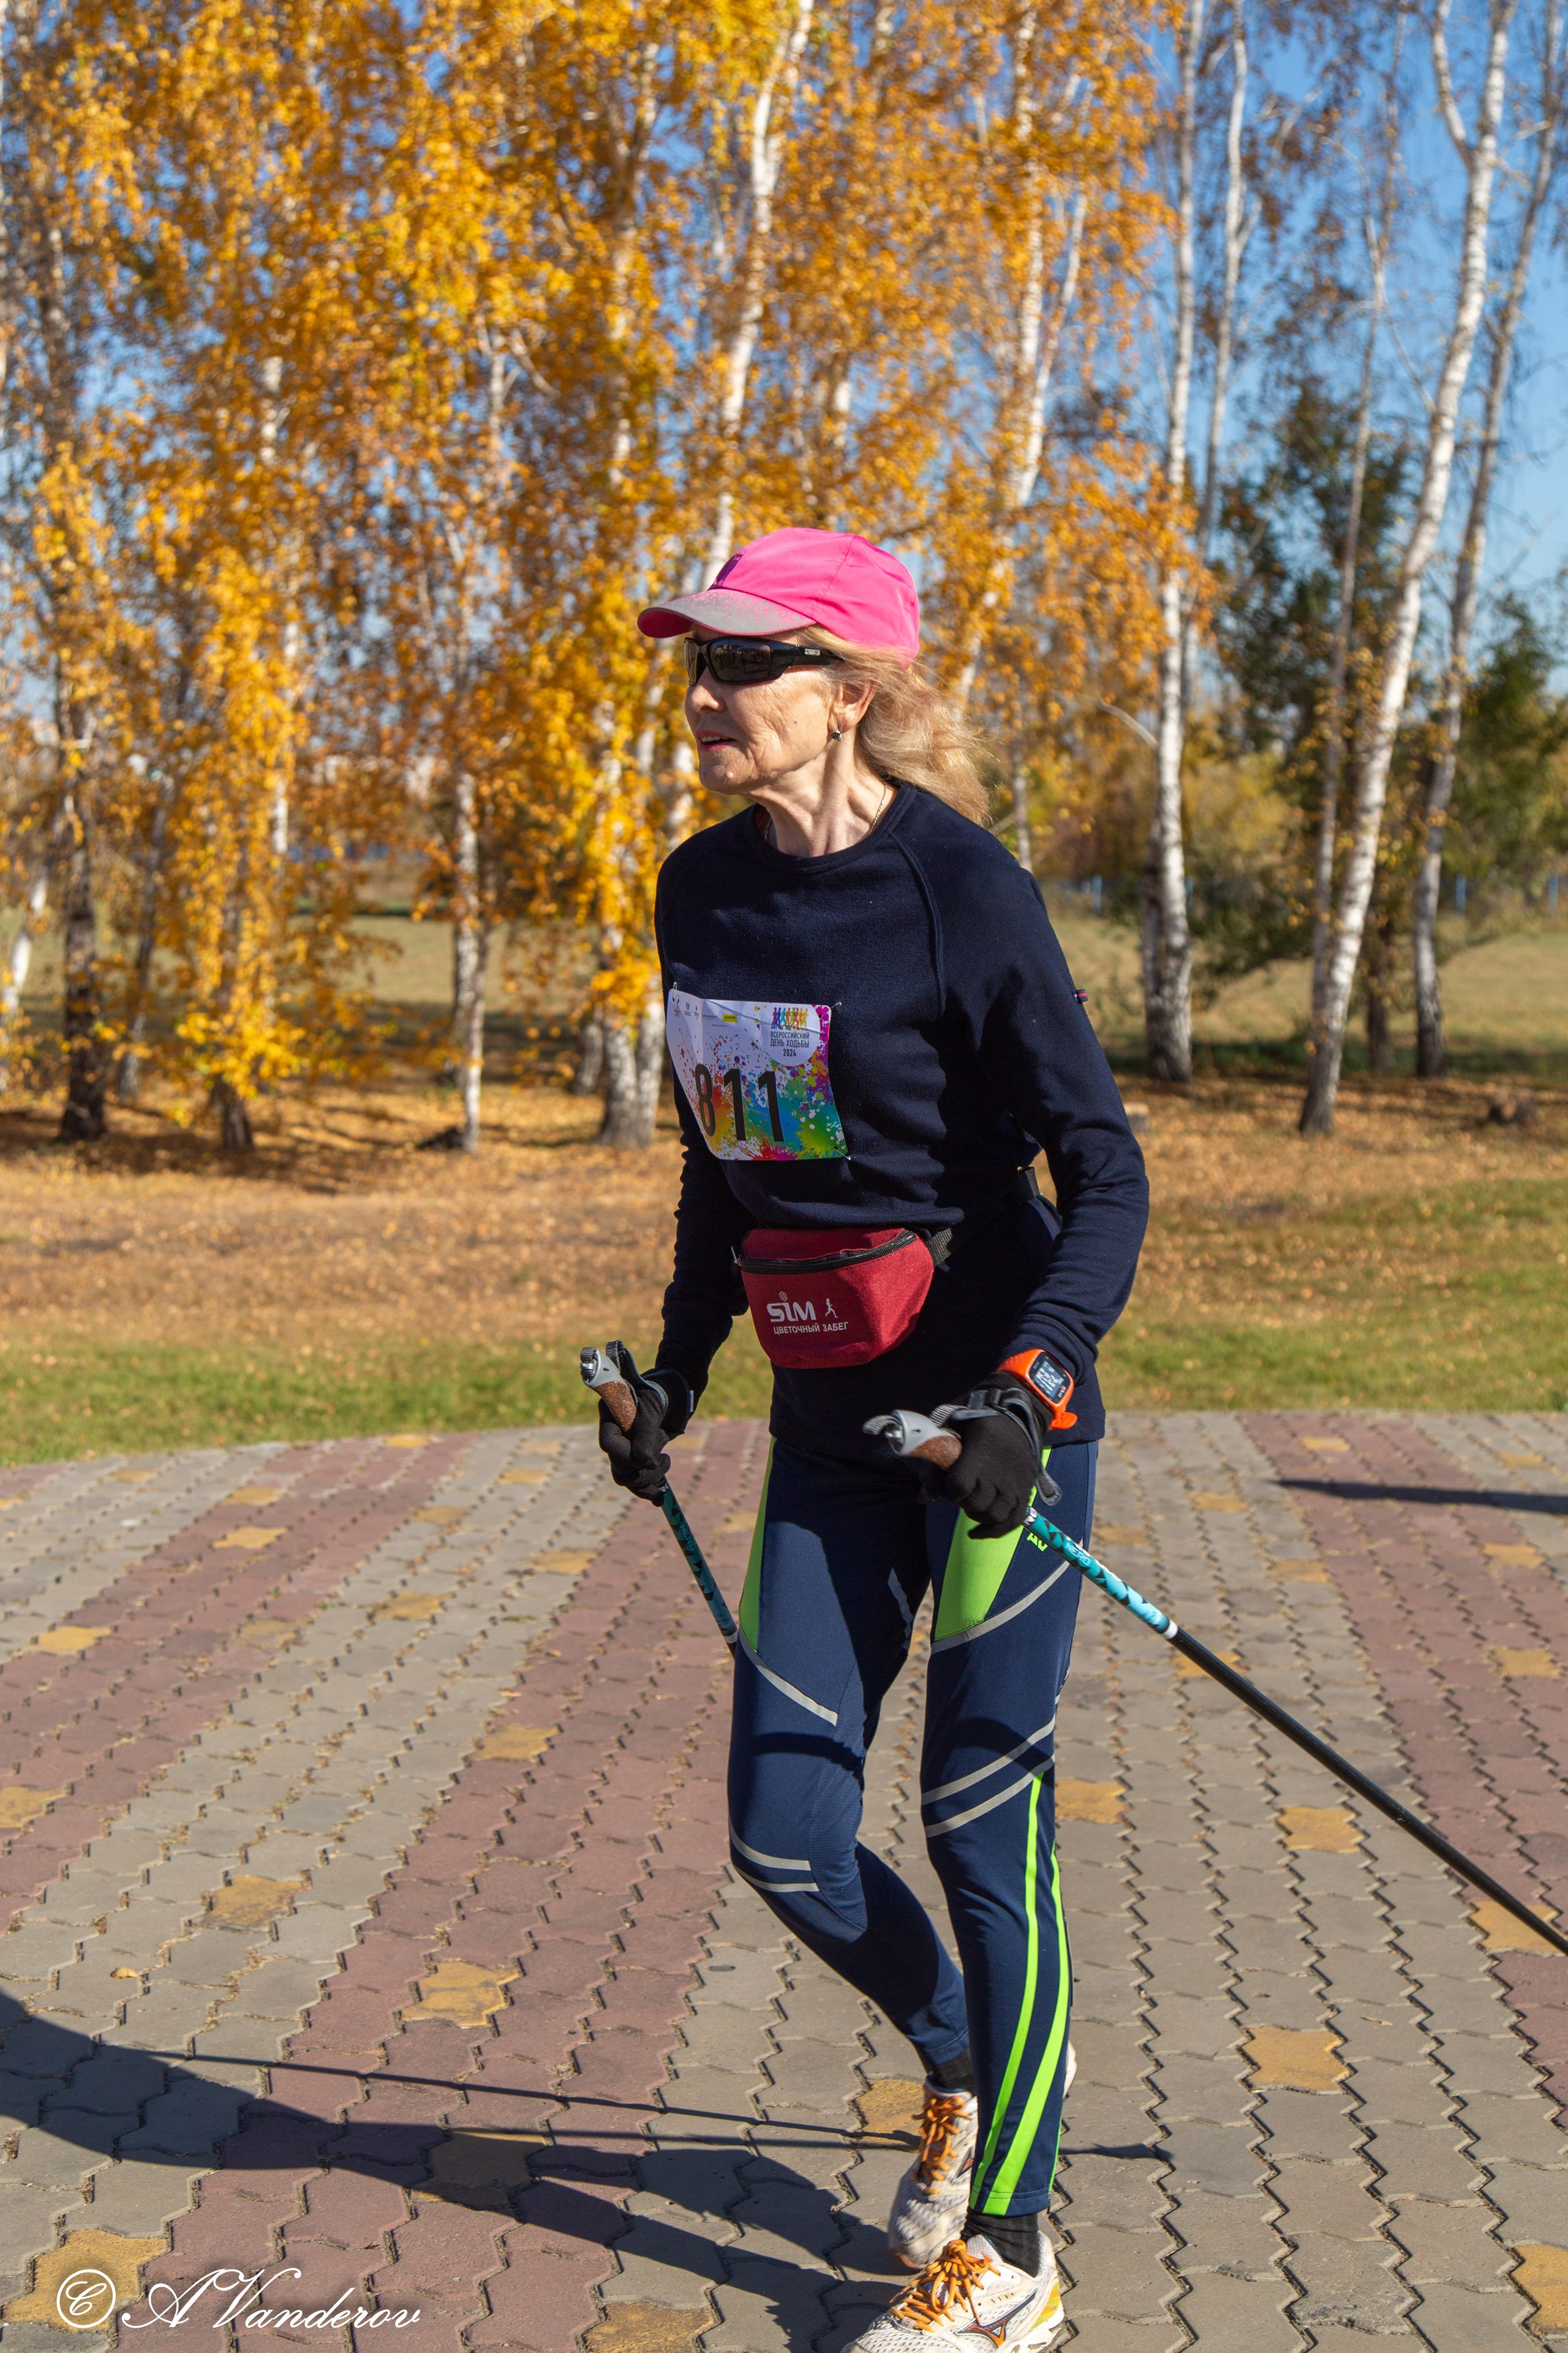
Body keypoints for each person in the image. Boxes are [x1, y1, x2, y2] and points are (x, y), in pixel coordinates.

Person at [595, 526, 1148, 2351]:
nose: (707, 692)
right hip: (827, 1425)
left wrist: (1034, 1383)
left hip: (986, 1428)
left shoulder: (960, 888)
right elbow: (721, 1155)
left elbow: (1105, 1168)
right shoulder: (702, 891)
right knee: (784, 1829)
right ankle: (967, 2061)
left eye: (747, 661)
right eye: (700, 659)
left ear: (850, 687)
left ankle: (1013, 2249)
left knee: (983, 1816)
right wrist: (676, 1367)